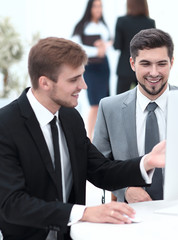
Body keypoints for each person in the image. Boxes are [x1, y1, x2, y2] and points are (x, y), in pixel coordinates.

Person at [0, 37, 166, 240]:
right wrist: (85, 213)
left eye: (82, 76)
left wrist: (146, 161)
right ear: (45, 83)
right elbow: (12, 204)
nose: (84, 85)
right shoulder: (6, 125)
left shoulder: (70, 117)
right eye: (73, 80)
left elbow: (101, 171)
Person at [93, 28, 178, 203]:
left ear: (171, 62)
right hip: (131, 215)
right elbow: (98, 166)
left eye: (161, 64)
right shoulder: (109, 108)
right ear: (133, 64)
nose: (154, 72)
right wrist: (125, 190)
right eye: (146, 64)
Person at [72, 0, 112, 140]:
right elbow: (76, 47)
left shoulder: (103, 25)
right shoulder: (82, 26)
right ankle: (89, 137)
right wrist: (97, 51)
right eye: (95, 6)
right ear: (90, 8)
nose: (98, 9)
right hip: (91, 68)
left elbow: (110, 43)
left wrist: (104, 45)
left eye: (100, 6)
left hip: (104, 67)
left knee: (104, 102)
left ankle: (101, 137)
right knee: (94, 104)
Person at [114, 0, 155, 94]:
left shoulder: (121, 21)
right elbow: (152, 46)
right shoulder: (150, 23)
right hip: (143, 68)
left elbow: (117, 46)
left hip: (124, 68)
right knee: (145, 100)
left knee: (119, 101)